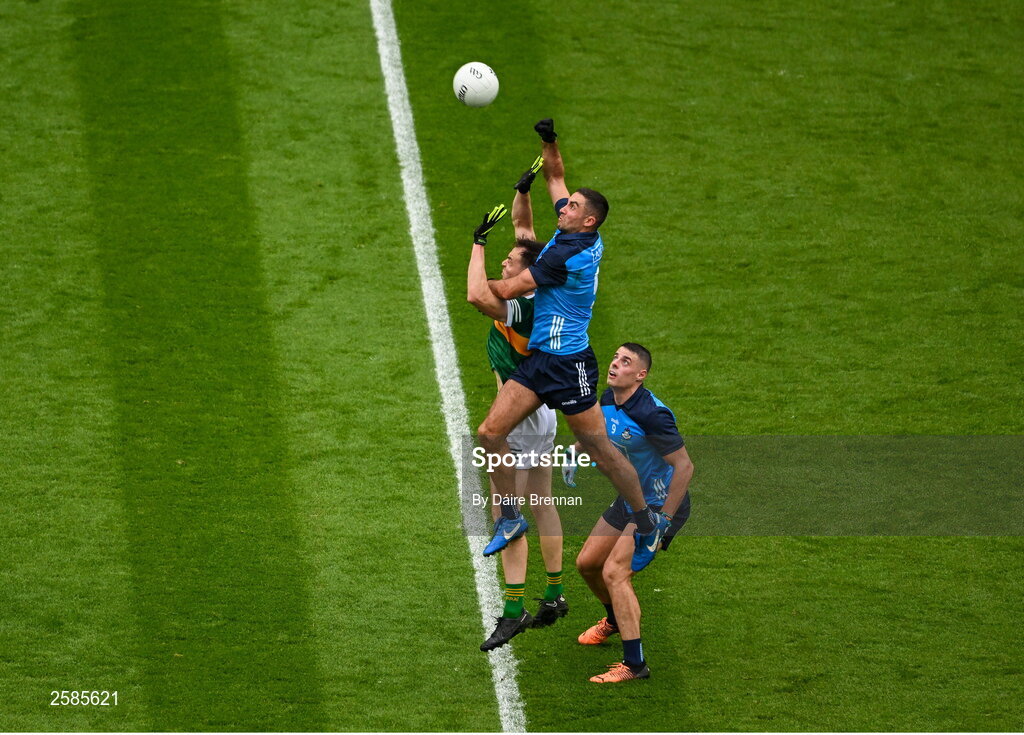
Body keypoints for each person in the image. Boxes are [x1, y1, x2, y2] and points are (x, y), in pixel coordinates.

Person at [477, 119, 669, 575]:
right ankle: (509, 519)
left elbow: (504, 292)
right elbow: (556, 176)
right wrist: (548, 141)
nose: (562, 207)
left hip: (570, 365)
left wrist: (476, 261)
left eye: (572, 207)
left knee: (600, 450)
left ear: (588, 221)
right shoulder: (577, 231)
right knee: (489, 434)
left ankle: (646, 521)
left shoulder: (566, 257)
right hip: (541, 360)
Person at [466, 158, 569, 651]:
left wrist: (478, 242)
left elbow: (475, 293)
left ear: (524, 276)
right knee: (543, 502)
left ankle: (513, 608)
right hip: (541, 411)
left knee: (507, 511)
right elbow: (527, 234)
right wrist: (523, 193)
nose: (506, 263)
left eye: (510, 262)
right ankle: (554, 592)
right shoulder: (541, 282)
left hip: (521, 416)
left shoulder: (518, 305)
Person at [566, 343, 693, 683]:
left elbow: (684, 466)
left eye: (626, 362)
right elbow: (600, 430)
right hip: (631, 498)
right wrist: (575, 450)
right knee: (587, 564)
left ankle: (635, 665)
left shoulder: (652, 414)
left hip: (659, 506)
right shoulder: (608, 398)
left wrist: (661, 522)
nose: (615, 365)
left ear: (640, 375)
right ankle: (613, 619)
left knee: (614, 573)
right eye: (615, 358)